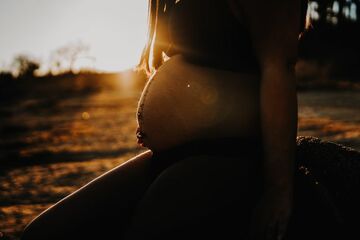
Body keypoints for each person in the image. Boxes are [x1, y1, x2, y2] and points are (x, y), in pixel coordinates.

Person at [21, 0, 322, 239]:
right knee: (45, 232)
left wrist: (278, 191)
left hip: (228, 152)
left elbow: (279, 68)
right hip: (174, 155)